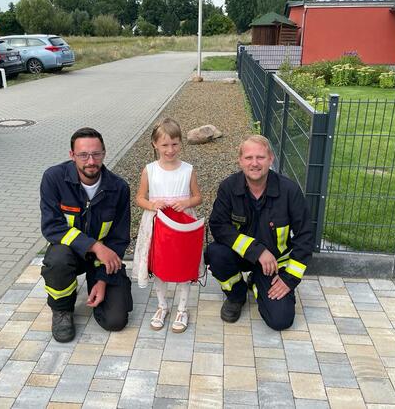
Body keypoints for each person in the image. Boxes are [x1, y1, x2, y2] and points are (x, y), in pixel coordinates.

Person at [206, 135, 313, 330]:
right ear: (240, 161)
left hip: (273, 265)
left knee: (280, 321)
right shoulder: (228, 187)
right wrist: (257, 251)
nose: (254, 163)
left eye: (260, 157)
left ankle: (256, 280)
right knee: (216, 253)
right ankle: (236, 295)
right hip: (241, 256)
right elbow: (218, 225)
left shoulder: (289, 190)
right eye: (248, 158)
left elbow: (305, 236)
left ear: (271, 159)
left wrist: (289, 280)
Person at [40, 127, 133, 342]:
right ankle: (62, 309)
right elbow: (52, 226)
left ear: (104, 153)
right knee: (57, 259)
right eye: (83, 155)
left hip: (102, 260)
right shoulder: (54, 179)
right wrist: (95, 246)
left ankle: (101, 286)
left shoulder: (118, 188)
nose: (90, 161)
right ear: (72, 155)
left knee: (115, 321)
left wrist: (102, 280)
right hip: (70, 253)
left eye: (96, 154)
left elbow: (119, 239)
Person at [133, 118, 202, 333]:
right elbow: (139, 198)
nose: (170, 150)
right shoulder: (150, 170)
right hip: (157, 225)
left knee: (182, 264)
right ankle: (162, 306)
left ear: (181, 143)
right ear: (155, 144)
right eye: (165, 145)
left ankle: (182, 308)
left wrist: (186, 202)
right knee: (160, 265)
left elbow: (198, 197)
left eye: (175, 144)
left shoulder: (188, 170)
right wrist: (153, 205)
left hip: (182, 225)